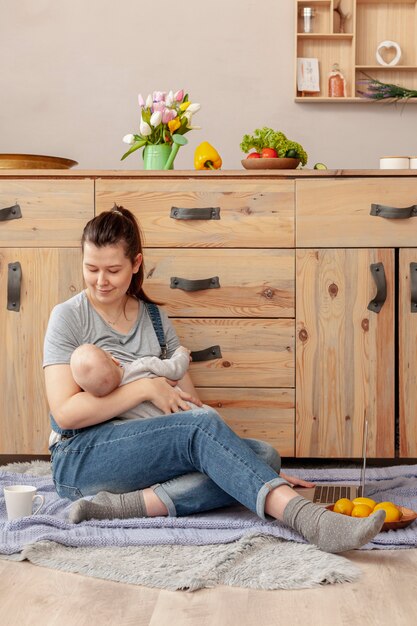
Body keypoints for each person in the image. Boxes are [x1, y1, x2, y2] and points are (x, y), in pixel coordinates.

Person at [43, 206, 385, 553]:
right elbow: (66, 413)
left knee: (264, 456)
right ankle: (309, 520)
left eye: (113, 270)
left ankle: (124, 506)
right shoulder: (69, 317)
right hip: (81, 458)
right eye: (91, 268)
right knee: (213, 440)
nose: (101, 281)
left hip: (149, 454)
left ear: (136, 263)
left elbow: (192, 408)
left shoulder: (156, 321)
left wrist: (240, 459)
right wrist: (144, 388)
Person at [70, 343, 199, 418]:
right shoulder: (143, 365)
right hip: (187, 411)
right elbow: (176, 370)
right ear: (114, 359)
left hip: (162, 427)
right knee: (210, 417)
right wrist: (182, 353)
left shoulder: (116, 409)